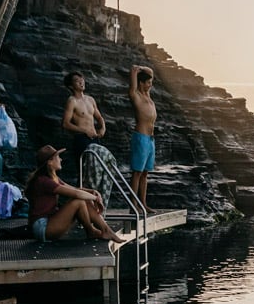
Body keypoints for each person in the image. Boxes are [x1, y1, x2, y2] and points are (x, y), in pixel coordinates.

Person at [25, 145, 125, 244]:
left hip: (50, 221)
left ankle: (103, 230)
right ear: (50, 162)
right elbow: (76, 194)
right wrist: (95, 198)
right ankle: (93, 231)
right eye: (57, 157)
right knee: (78, 201)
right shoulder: (43, 181)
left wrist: (91, 191)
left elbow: (75, 189)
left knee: (83, 198)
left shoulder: (53, 178)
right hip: (42, 227)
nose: (61, 159)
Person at [129, 64, 157, 214]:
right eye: (147, 83)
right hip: (140, 138)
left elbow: (151, 72)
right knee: (137, 173)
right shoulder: (136, 95)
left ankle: (143, 204)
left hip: (151, 140)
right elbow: (133, 70)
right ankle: (133, 205)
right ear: (140, 83)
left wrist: (144, 69)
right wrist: (137, 70)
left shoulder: (148, 95)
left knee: (145, 173)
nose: (150, 85)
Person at [61, 71, 106, 160]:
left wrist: (103, 128)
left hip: (95, 138)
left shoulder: (90, 99)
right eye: (77, 80)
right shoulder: (72, 101)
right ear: (71, 86)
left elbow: (99, 117)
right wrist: (85, 131)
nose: (81, 82)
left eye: (82, 79)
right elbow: (65, 124)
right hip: (81, 139)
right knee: (85, 168)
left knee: (99, 166)